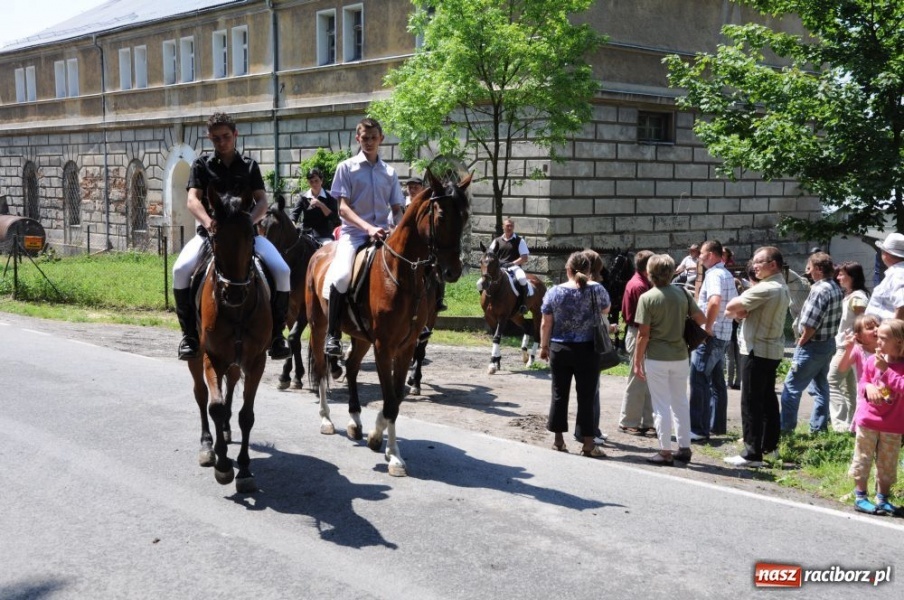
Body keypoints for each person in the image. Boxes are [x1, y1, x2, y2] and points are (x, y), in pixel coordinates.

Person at [172, 111, 291, 361]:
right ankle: (189, 336)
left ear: (235, 135)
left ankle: (277, 336)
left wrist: (249, 220)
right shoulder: (201, 165)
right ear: (209, 138)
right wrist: (208, 222)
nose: (222, 142)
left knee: (282, 271)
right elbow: (193, 199)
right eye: (216, 138)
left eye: (226, 136)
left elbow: (262, 201)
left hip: (247, 237)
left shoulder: (249, 166)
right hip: (210, 236)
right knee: (180, 270)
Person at [323, 117, 404, 356]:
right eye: (364, 138)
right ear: (358, 139)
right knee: (341, 277)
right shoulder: (346, 167)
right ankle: (333, 335)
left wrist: (397, 228)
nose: (369, 142)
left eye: (373, 138)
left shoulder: (389, 172)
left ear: (381, 139)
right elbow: (343, 209)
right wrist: (368, 228)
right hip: (355, 235)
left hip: (384, 236)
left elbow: (397, 209)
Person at [633, 253, 706, 465]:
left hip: (657, 357)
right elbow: (700, 319)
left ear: (650, 274)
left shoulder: (647, 298)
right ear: (672, 272)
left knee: (661, 405)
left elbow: (643, 334)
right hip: (681, 355)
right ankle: (684, 448)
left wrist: (637, 361)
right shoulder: (682, 292)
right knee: (680, 402)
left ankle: (665, 451)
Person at [723, 246, 791, 467]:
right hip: (770, 350)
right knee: (768, 401)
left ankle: (751, 453)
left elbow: (732, 306)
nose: (754, 265)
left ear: (773, 265)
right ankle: (769, 448)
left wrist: (742, 309)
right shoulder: (780, 285)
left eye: (759, 261)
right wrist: (743, 311)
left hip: (756, 349)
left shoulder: (767, 287)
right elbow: (736, 311)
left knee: (751, 401)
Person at [539, 252, 610, 458]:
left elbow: (546, 322)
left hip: (560, 349)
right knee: (586, 397)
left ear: (567, 270)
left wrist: (544, 347)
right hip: (588, 349)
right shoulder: (597, 290)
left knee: (559, 394)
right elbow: (606, 310)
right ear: (589, 271)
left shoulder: (554, 291)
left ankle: (559, 440)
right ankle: (588, 444)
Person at [779, 252, 843, 434]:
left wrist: (801, 342)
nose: (808, 271)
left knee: (791, 387)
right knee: (822, 386)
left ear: (818, 269)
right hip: (828, 343)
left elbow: (810, 324)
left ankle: (785, 429)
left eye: (810, 267)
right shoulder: (835, 287)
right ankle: (818, 428)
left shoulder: (819, 289)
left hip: (812, 345)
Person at [848, 319, 904, 516]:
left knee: (887, 463)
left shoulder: (895, 365)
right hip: (868, 420)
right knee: (862, 458)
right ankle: (861, 497)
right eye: (877, 337)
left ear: (898, 341)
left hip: (894, 424)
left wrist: (887, 371)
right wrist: (869, 387)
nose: (878, 342)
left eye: (883, 338)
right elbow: (863, 382)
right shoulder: (873, 360)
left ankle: (883, 499)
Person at [689, 240, 738, 440]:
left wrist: (707, 327)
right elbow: (734, 305)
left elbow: (714, 300)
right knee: (717, 381)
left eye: (701, 253)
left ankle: (698, 430)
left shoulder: (714, 274)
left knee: (698, 379)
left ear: (710, 254)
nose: (699, 256)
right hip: (724, 334)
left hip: (712, 336)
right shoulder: (726, 273)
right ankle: (716, 426)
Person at [617, 250, 656, 437]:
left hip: (641, 332)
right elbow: (641, 319)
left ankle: (648, 421)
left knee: (646, 379)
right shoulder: (639, 286)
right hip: (638, 332)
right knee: (637, 378)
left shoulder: (642, 283)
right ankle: (628, 421)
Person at [573, 249, 610, 445]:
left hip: (577, 342)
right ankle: (588, 431)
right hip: (592, 342)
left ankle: (593, 428)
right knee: (591, 391)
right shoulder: (596, 287)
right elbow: (605, 311)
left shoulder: (576, 286)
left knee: (591, 391)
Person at [827, 262, 870, 432]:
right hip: (848, 345)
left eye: (842, 274)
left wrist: (856, 338)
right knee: (849, 386)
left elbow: (864, 320)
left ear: (852, 277)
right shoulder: (851, 295)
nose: (838, 277)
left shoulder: (857, 297)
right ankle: (853, 422)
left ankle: (840, 425)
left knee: (832, 380)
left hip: (849, 346)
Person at [484, 218, 532, 314]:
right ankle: (486, 304)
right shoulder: (496, 241)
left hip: (514, 267)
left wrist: (512, 263)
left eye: (511, 226)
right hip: (500, 268)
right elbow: (489, 254)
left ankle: (523, 304)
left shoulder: (519, 241)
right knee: (479, 283)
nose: (509, 228)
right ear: (503, 227)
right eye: (507, 226)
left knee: (522, 278)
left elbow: (524, 258)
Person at [290, 167, 339, 244]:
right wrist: (292, 223)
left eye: (316, 181)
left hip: (324, 235)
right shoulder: (303, 197)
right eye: (311, 182)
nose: (314, 184)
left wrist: (321, 205)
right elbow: (294, 215)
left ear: (321, 180)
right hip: (306, 235)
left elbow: (335, 218)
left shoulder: (330, 196)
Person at [865, 232, 904, 321]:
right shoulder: (898, 272)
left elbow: (902, 303)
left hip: (887, 332)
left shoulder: (898, 274)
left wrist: (893, 332)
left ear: (886, 254)